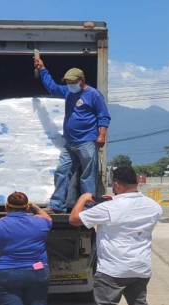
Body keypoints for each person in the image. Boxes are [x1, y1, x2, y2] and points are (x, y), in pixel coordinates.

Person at [69, 166, 163, 305]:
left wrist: (84, 199)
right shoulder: (154, 206)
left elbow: (74, 219)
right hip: (140, 268)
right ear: (136, 182)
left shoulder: (108, 208)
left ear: (116, 184)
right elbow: (130, 216)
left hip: (112, 269)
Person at [34, 57, 111, 213]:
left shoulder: (93, 94)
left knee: (87, 175)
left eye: (72, 82)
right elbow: (52, 87)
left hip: (87, 141)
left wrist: (101, 135)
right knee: (62, 171)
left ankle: (88, 205)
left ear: (81, 81)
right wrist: (42, 69)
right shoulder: (69, 92)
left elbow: (103, 115)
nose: (69, 85)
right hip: (70, 143)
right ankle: (57, 205)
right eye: (67, 82)